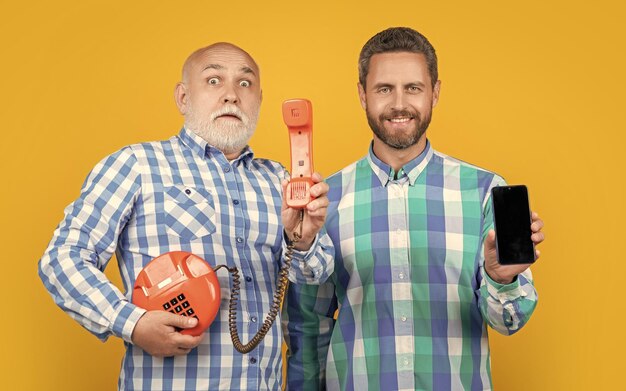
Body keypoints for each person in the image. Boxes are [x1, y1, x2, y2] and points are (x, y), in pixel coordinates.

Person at [38, 42, 334, 390]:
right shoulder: (136, 165)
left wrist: (304, 238)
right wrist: (131, 322)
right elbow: (62, 258)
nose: (231, 96)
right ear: (182, 98)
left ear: (259, 100)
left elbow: (314, 274)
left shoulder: (280, 180)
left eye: (245, 83)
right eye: (213, 80)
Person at [283, 27, 545, 390]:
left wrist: (501, 278)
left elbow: (510, 322)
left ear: (435, 92)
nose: (399, 104)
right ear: (362, 94)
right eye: (384, 89)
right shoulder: (325, 201)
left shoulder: (486, 191)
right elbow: (308, 328)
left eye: (414, 88)